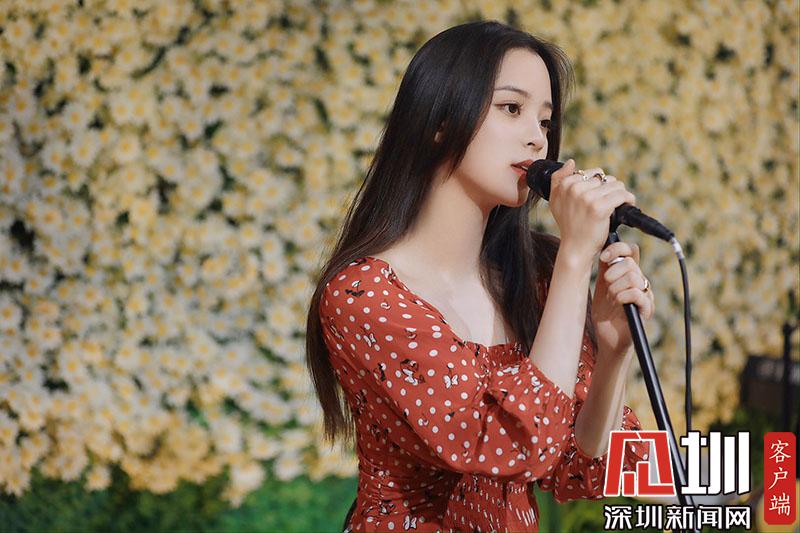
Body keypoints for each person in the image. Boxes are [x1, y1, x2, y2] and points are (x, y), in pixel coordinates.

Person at [305, 20, 654, 532]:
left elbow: (585, 471)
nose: (537, 139)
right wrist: (574, 261)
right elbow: (508, 446)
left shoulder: (534, 275)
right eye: (511, 108)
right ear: (439, 122)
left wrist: (613, 353)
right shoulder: (363, 295)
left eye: (545, 121)